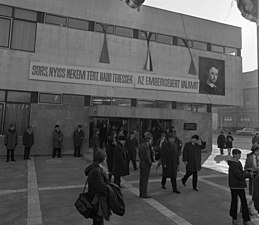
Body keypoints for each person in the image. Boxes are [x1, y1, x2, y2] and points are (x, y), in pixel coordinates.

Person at [84, 150, 110, 225]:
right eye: (105, 157)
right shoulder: (96, 171)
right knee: (98, 220)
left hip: (96, 198)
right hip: (96, 200)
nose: (106, 159)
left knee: (98, 220)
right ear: (102, 159)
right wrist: (108, 191)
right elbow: (101, 186)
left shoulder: (97, 168)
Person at [227, 148, 252, 225]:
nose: (240, 156)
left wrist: (246, 171)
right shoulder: (234, 164)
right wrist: (248, 174)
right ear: (234, 155)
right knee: (235, 202)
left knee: (243, 202)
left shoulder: (237, 162)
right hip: (235, 186)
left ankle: (245, 219)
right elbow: (239, 175)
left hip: (239, 185)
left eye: (240, 154)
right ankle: (235, 218)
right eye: (238, 154)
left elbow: (241, 172)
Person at [244, 144, 259, 215]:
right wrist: (251, 172)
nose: (258, 152)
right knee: (254, 193)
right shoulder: (249, 158)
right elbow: (246, 168)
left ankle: (249, 207)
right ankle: (250, 207)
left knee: (256, 194)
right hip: (253, 178)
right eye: (257, 151)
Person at [138, 132, 153, 198]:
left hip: (142, 163)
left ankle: (141, 192)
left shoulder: (141, 145)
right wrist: (150, 162)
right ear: (148, 140)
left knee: (141, 179)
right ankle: (144, 193)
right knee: (145, 180)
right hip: (146, 165)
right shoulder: (146, 147)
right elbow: (148, 157)